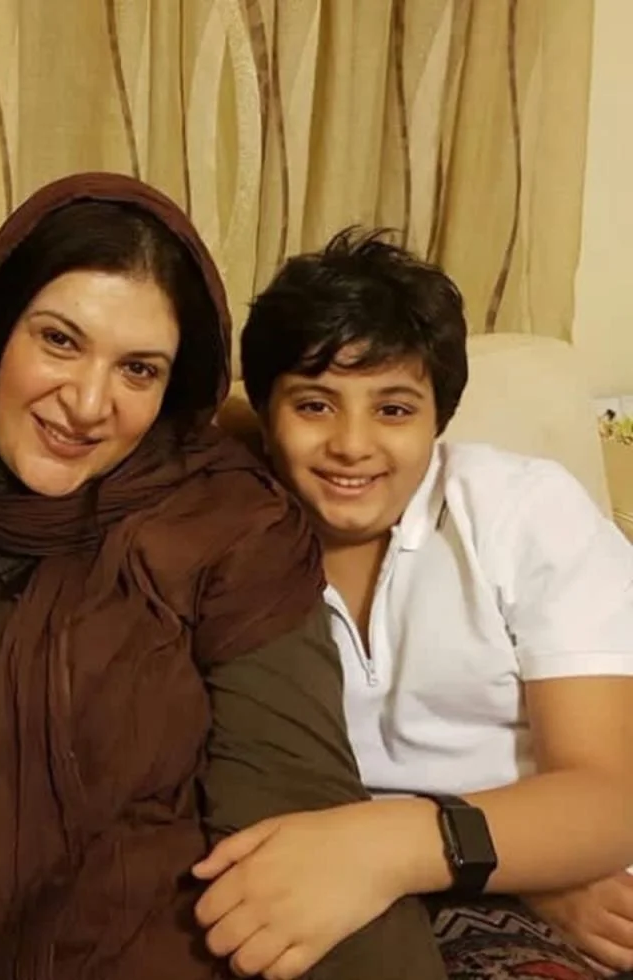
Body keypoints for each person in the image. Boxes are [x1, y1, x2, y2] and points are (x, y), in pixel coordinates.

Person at [0, 176, 448, 980]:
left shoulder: (228, 524)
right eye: (59, 341)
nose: (89, 404)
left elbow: (301, 828)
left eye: (138, 370)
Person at [197, 227, 633, 978]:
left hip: (549, 876)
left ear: (439, 418)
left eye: (394, 410)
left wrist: (461, 856)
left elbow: (607, 796)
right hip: (363, 882)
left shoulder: (524, 512)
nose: (352, 444)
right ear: (267, 414)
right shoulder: (232, 536)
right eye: (315, 406)